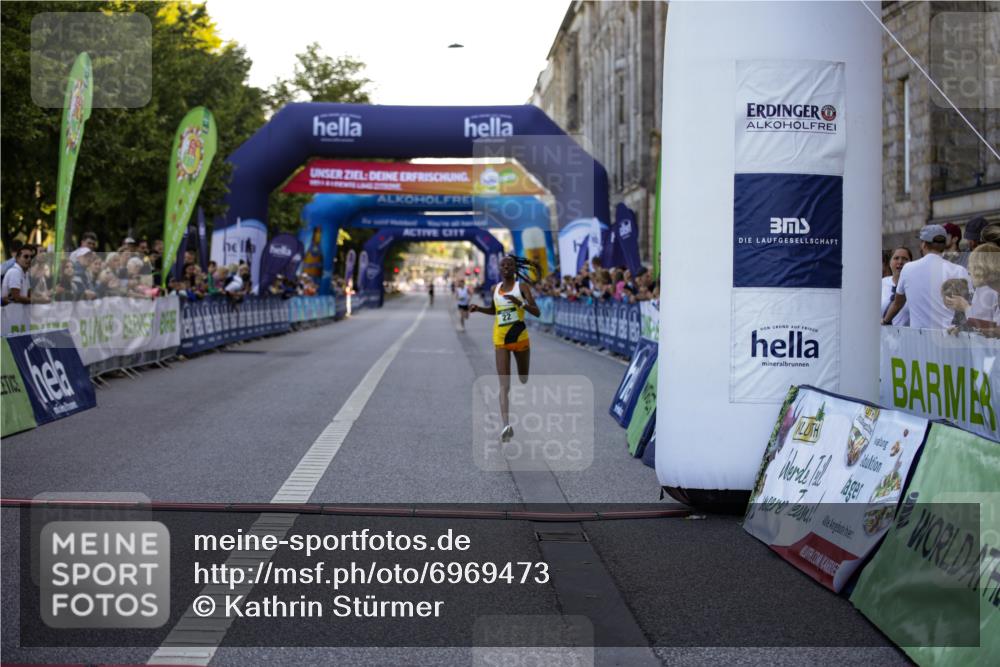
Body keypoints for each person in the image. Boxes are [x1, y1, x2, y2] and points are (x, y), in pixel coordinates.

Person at [468, 255, 541, 443]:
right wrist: (479, 309)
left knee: (523, 377)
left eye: (509, 264)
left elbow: (537, 311)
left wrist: (521, 304)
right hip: (500, 340)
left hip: (520, 339)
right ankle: (506, 425)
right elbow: (494, 311)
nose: (506, 267)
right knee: (504, 385)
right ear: (500, 269)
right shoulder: (495, 289)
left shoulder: (522, 288)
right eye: (503, 265)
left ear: (514, 268)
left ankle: (523, 376)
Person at [883, 224, 971, 329]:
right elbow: (970, 306)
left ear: (924, 244)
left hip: (920, 341)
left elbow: (897, 304)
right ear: (943, 246)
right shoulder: (959, 270)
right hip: (951, 337)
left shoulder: (908, 268)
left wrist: (885, 321)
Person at [880, 247, 912, 326]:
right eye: (896, 258)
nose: (900, 262)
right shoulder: (881, 283)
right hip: (883, 335)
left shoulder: (914, 286)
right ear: (890, 262)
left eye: (905, 259)